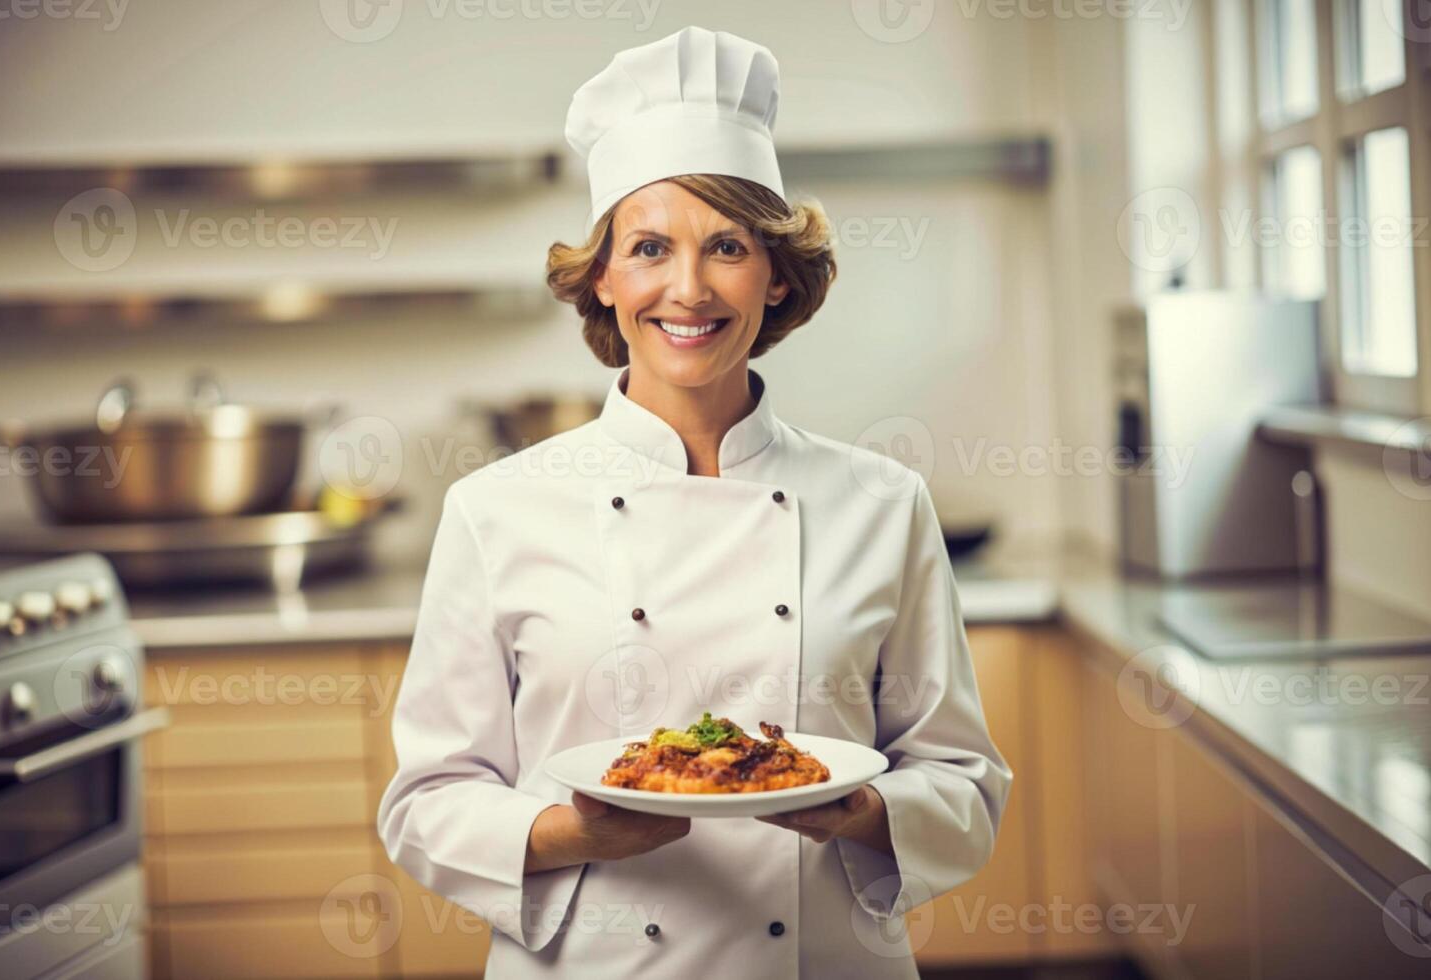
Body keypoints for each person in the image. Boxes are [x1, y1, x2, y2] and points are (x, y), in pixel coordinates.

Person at [377, 25, 1012, 979]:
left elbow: (964, 780)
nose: (687, 288)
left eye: (727, 246)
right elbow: (425, 802)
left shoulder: (884, 501)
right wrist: (568, 833)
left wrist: (866, 811)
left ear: (777, 274)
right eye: (646, 248)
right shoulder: (493, 509)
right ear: (602, 277)